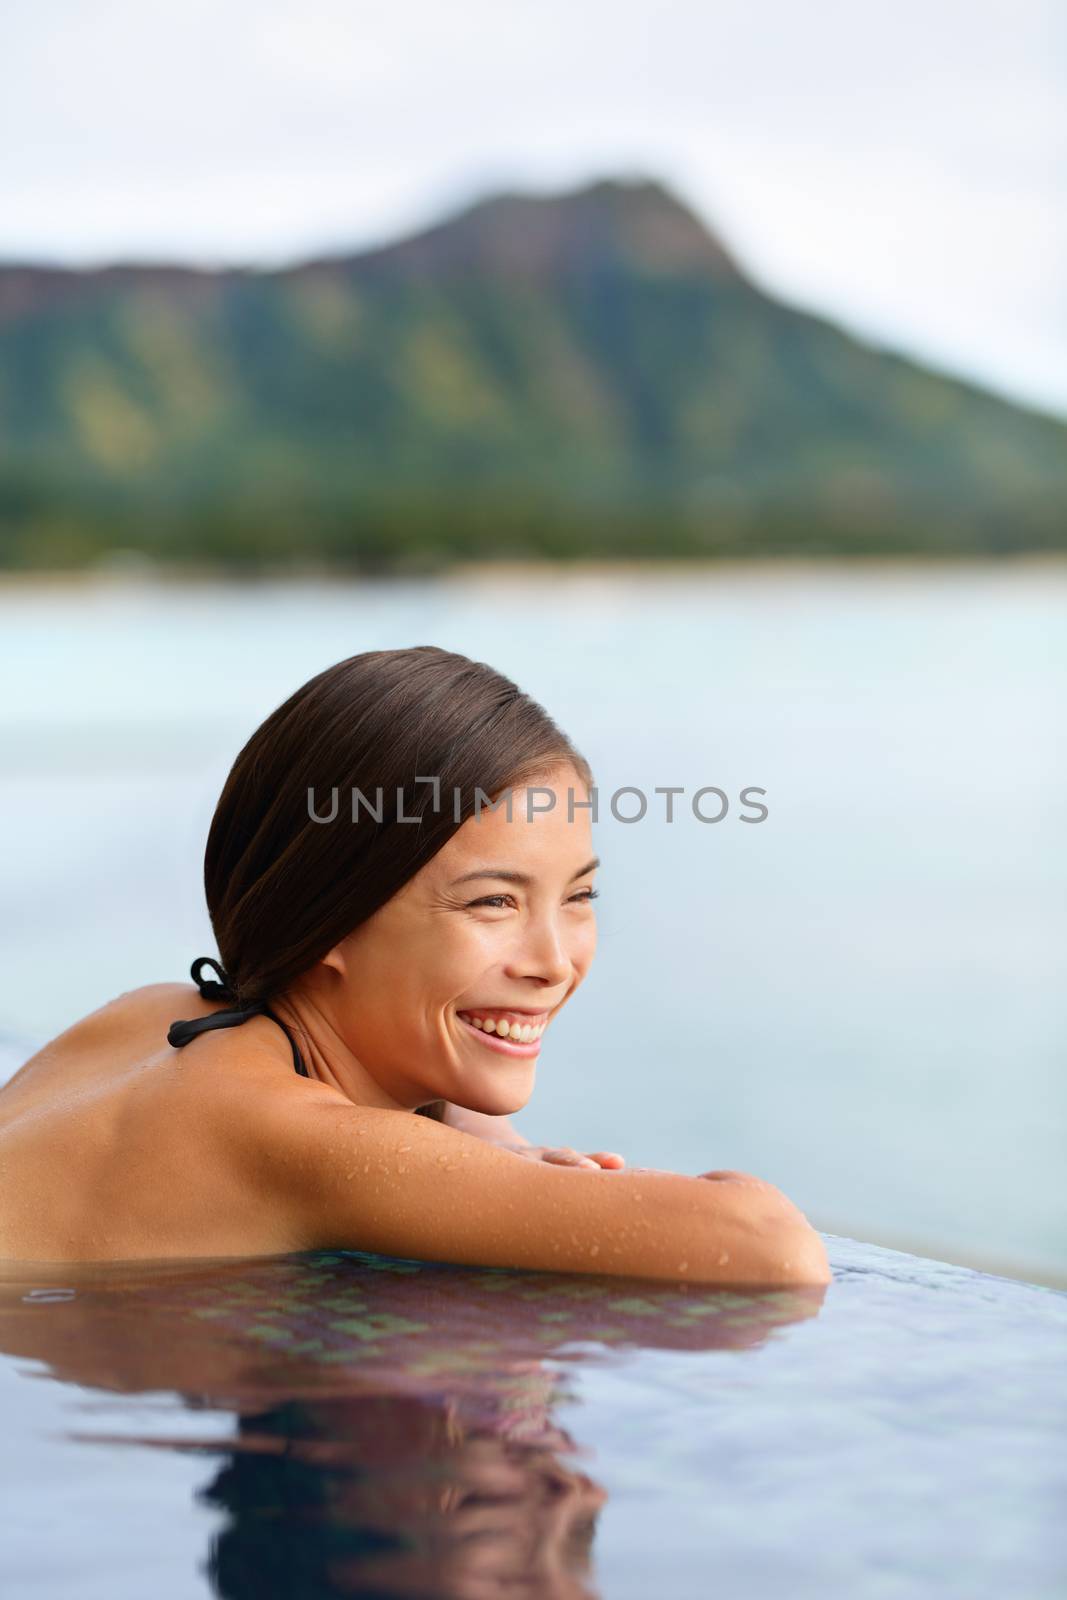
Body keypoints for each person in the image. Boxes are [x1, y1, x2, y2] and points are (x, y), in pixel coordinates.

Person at [0, 646, 830, 1285]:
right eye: (491, 904)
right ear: (332, 915)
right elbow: (770, 1250)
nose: (552, 962)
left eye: (577, 897)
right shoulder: (301, 1143)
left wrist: (482, 1138)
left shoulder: (156, 1015)